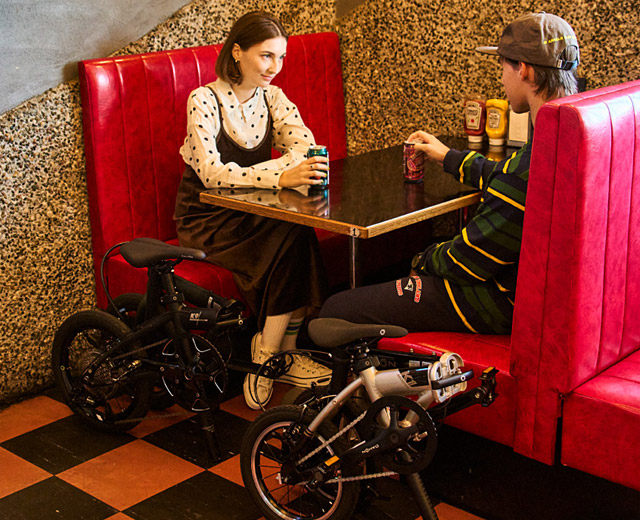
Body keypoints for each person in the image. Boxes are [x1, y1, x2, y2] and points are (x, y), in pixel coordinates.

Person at [320, 12, 580, 335]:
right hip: (555, 301)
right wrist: (448, 157)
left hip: (505, 304)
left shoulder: (530, 167)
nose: (501, 79)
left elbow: (465, 259)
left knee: (334, 311)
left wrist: (420, 261)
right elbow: (505, 177)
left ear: (524, 69)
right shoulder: (570, 136)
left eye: (502, 67)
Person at [174, 11, 331, 409]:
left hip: (250, 209)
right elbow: (211, 174)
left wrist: (281, 171)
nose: (274, 67)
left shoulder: (272, 98)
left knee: (298, 229)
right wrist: (280, 176)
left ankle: (279, 352)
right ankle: (270, 358)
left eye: (281, 58)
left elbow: (305, 146)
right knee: (291, 234)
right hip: (206, 217)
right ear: (237, 52)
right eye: (266, 56)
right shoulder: (204, 99)